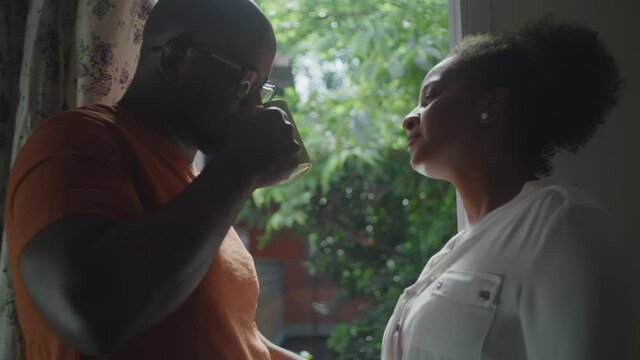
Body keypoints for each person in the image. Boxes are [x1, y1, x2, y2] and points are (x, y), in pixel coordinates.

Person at [3, 0, 305, 359]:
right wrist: (241, 169)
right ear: (175, 56)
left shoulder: (196, 191)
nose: (254, 102)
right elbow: (89, 314)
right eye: (245, 79)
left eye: (261, 86)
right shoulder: (77, 139)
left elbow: (232, 333)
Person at [382, 16, 638, 360]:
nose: (409, 118)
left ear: (492, 107)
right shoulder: (450, 254)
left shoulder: (565, 226)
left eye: (430, 97)